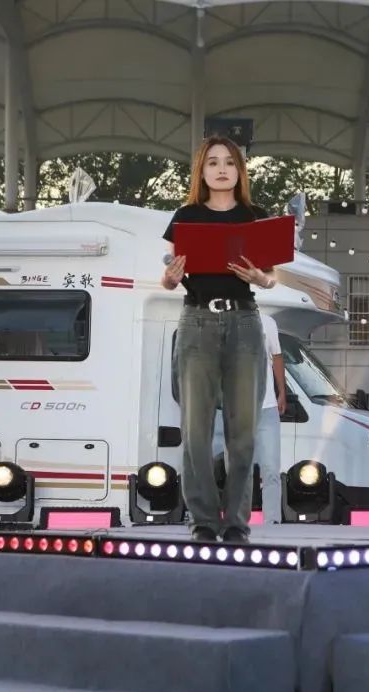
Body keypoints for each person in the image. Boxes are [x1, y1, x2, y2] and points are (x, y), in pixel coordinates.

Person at [161, 136, 277, 544]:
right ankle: (204, 521)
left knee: (242, 430)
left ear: (240, 171)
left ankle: (237, 523)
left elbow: (271, 276)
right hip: (197, 321)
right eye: (213, 162)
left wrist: (261, 278)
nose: (222, 169)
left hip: (245, 322)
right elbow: (169, 275)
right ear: (202, 171)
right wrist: (170, 277)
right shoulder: (186, 216)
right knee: (195, 429)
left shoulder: (255, 217)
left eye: (229, 162)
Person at [254, 312, 286, 524]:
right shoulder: (226, 320)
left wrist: (282, 391)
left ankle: (272, 522)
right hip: (237, 409)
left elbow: (277, 356)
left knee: (271, 470)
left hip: (267, 408)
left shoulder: (267, 322)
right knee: (238, 472)